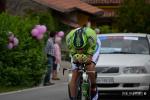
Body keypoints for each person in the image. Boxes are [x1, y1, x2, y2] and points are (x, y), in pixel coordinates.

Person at [66, 26, 101, 100]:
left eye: (81, 48)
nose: (80, 51)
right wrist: (76, 60)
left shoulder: (92, 37)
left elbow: (89, 58)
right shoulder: (68, 39)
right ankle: (73, 97)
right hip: (76, 46)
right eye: (78, 49)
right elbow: (74, 56)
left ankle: (94, 89)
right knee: (74, 73)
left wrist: (87, 59)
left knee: (90, 67)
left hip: (92, 46)